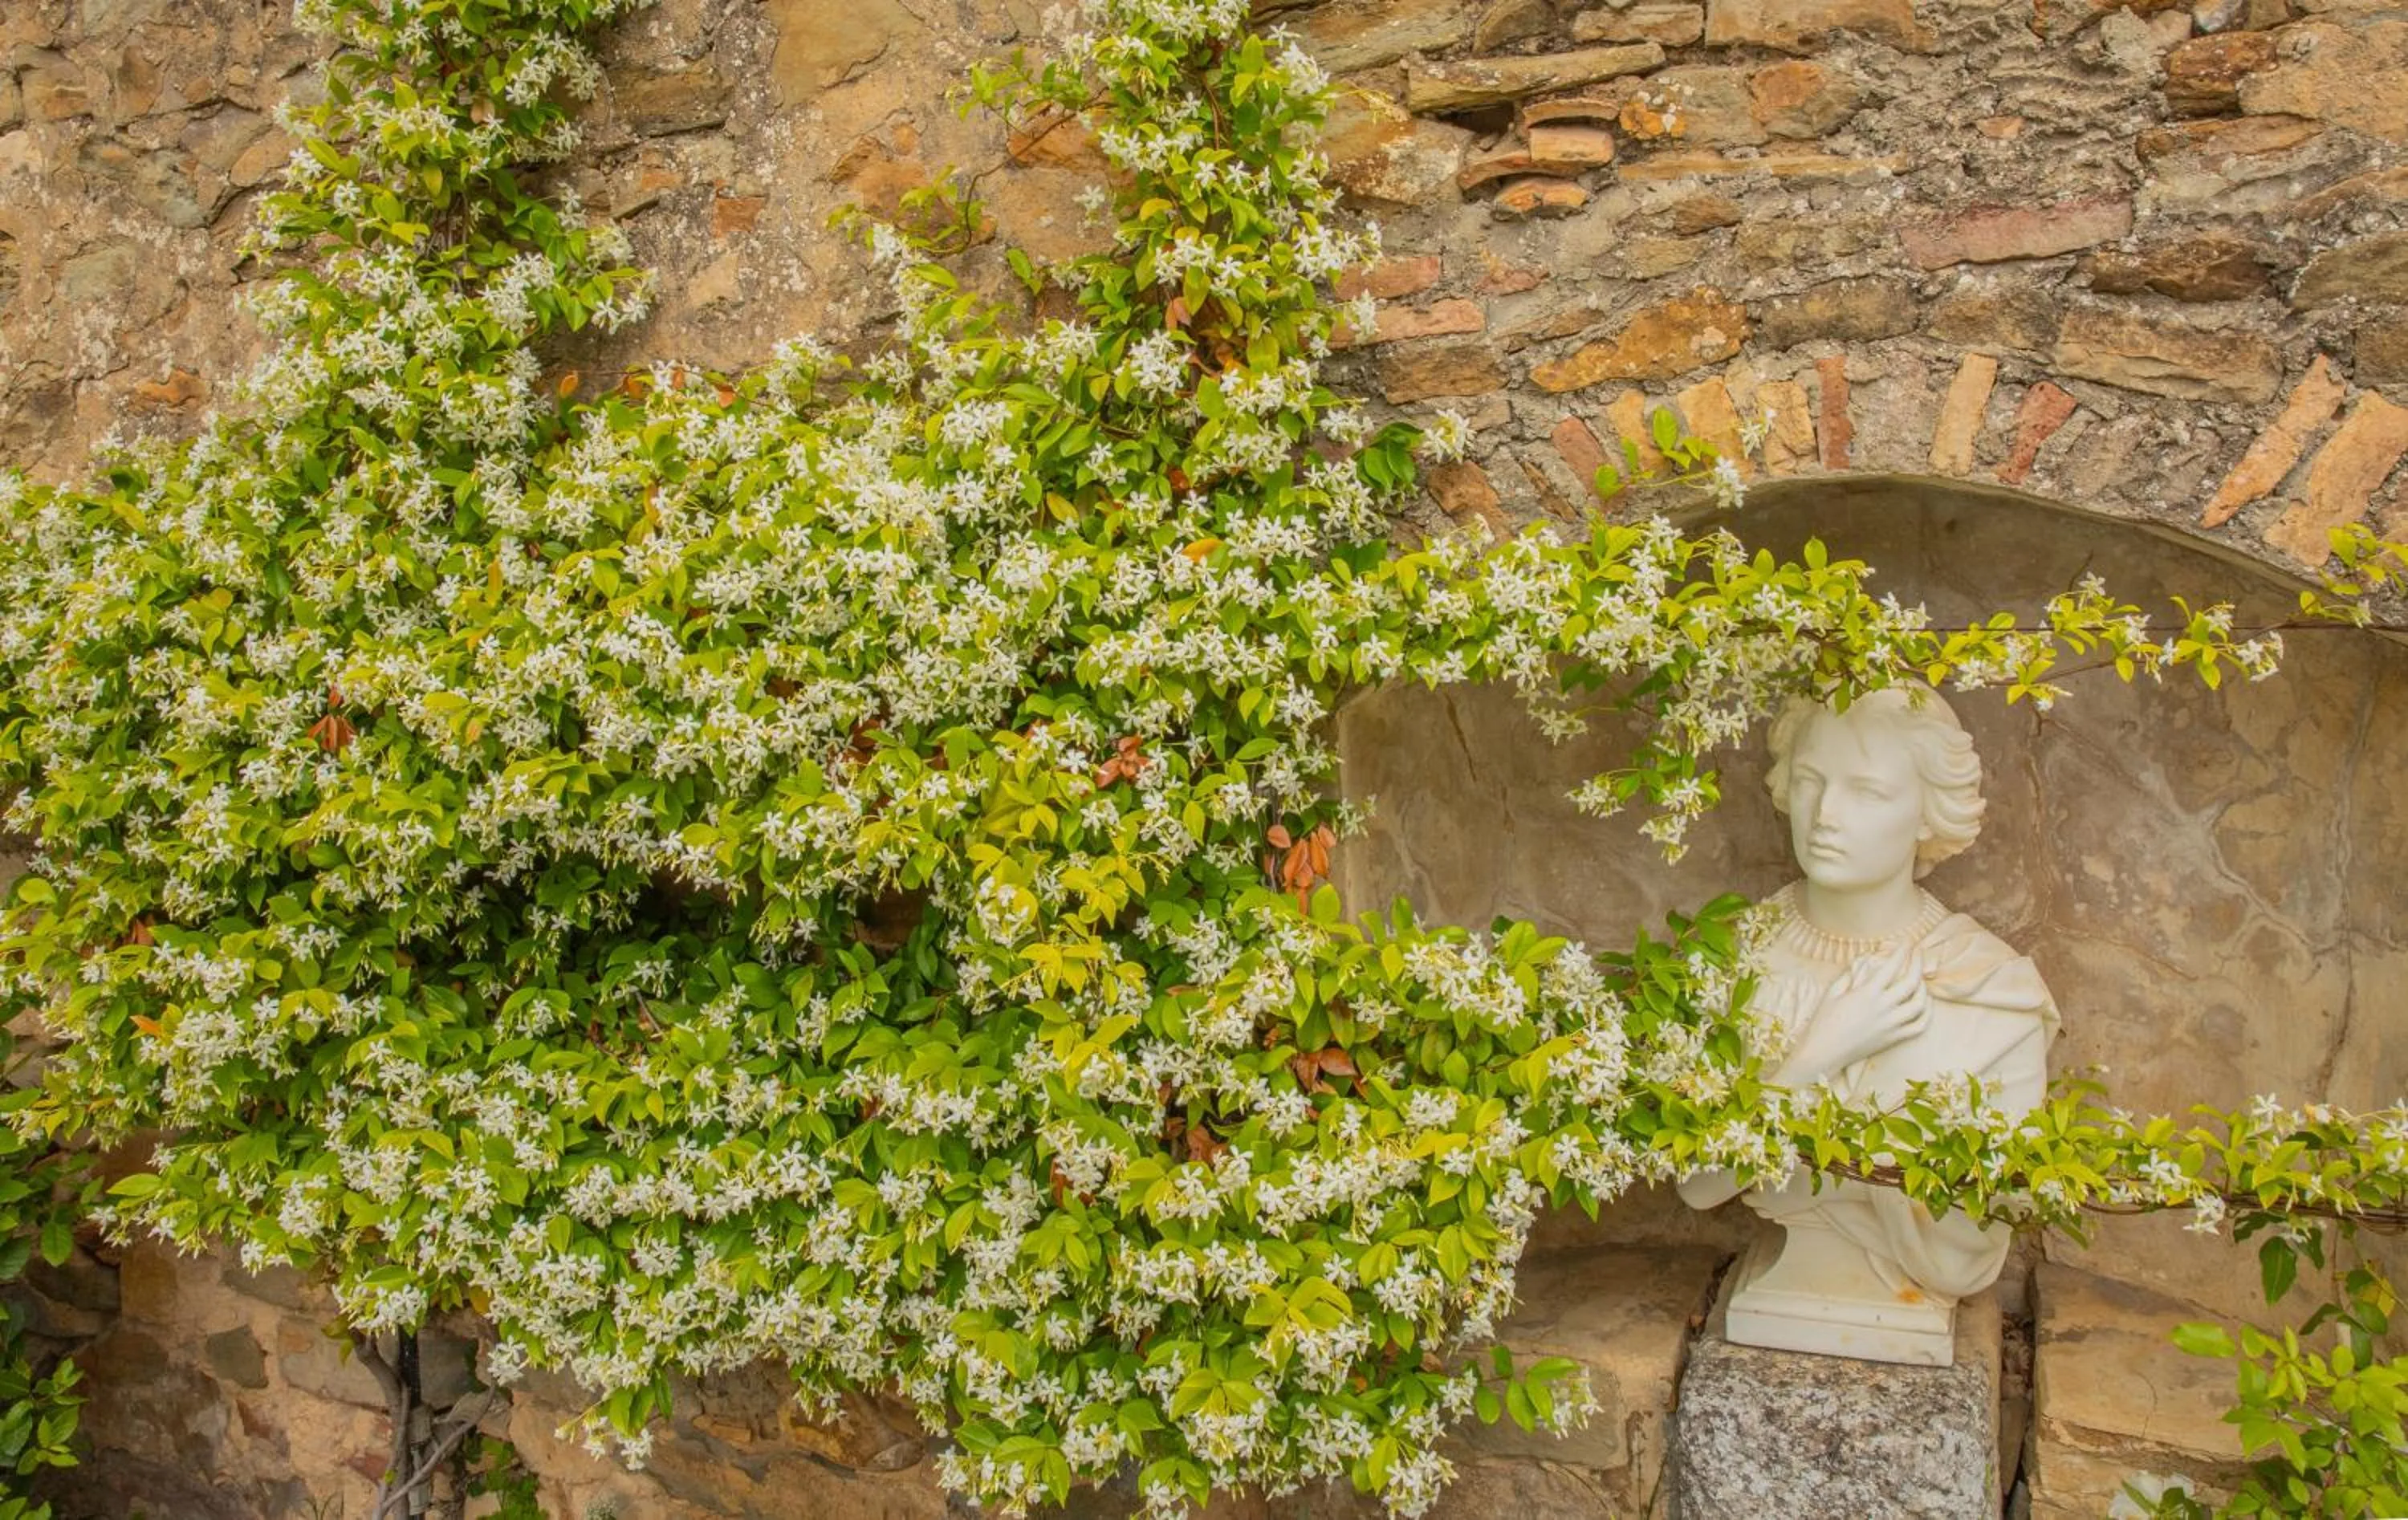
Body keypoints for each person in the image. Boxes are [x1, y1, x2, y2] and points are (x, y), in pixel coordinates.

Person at [1678, 685, 2057, 1364]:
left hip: (1907, 1297)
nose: (1826, 815)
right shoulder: (1732, 956)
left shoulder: (1991, 995)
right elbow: (1700, 1182)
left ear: (1924, 816)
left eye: (1868, 793)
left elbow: (1967, 1255)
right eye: (1812, 782)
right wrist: (1820, 1054)